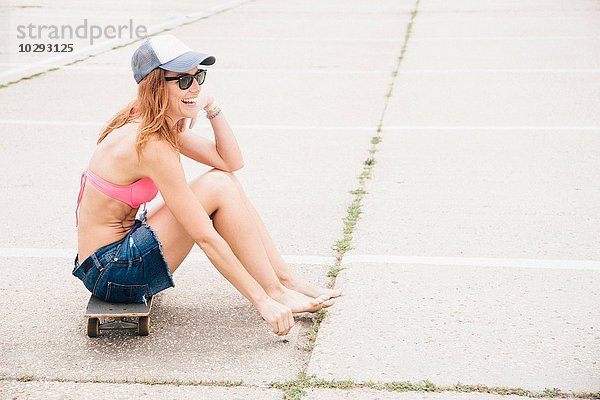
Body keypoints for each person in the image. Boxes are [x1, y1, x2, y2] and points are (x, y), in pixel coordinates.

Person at [72, 35, 342, 336]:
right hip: (111, 272)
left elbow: (229, 161)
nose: (196, 87)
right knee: (218, 187)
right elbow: (204, 235)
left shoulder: (153, 120)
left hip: (114, 255)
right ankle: (274, 291)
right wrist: (260, 301)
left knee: (223, 180)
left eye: (198, 76)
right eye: (184, 81)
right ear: (156, 85)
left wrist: (212, 106)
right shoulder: (150, 144)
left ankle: (284, 280)